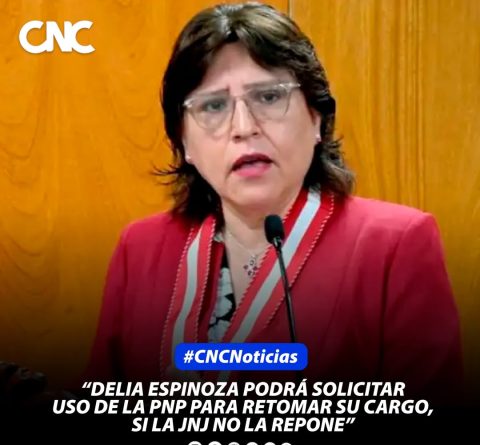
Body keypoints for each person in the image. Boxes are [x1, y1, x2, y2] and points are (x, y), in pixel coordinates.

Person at [83, 2, 463, 404]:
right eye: (213, 105)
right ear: (184, 142)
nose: (243, 128)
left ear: (316, 118)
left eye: (268, 97)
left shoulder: (395, 246)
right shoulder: (141, 249)